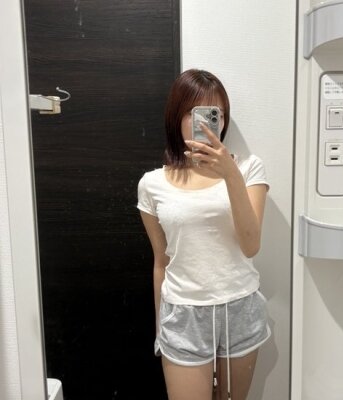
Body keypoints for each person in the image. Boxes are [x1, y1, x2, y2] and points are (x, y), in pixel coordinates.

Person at [137, 69, 271, 400]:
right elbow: (161, 261)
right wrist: (160, 328)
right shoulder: (152, 184)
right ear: (176, 117)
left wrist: (231, 175)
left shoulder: (248, 168)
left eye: (217, 114)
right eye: (195, 112)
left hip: (238, 307)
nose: (209, 122)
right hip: (183, 313)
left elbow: (251, 245)